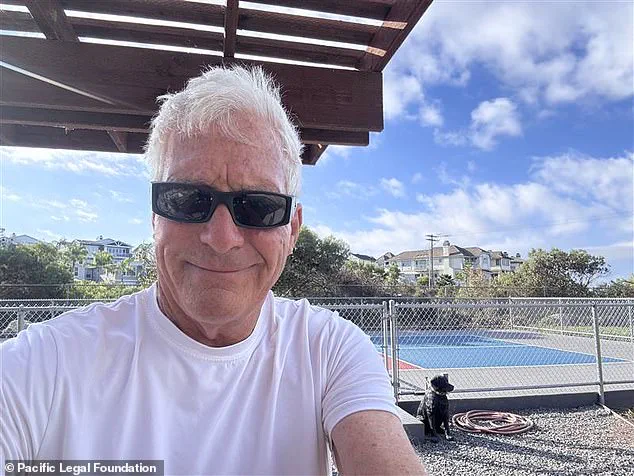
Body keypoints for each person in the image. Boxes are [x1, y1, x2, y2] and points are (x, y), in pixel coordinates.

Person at [1, 65, 426, 475]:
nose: (222, 238)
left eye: (259, 207)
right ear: (155, 218)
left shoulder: (329, 352)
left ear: (292, 230)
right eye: (187, 200)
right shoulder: (44, 365)